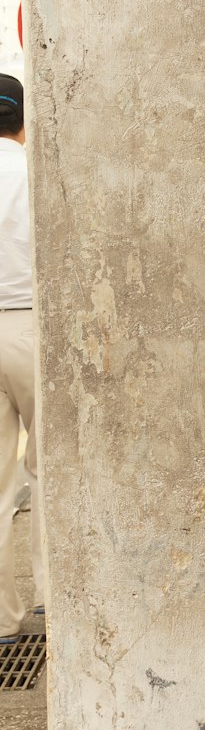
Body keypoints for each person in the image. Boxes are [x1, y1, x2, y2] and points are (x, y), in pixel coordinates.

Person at [0, 74, 44, 644]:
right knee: (49, 473)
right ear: (24, 123)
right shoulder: (35, 172)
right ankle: (51, 607)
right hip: (33, 325)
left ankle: (2, 622)